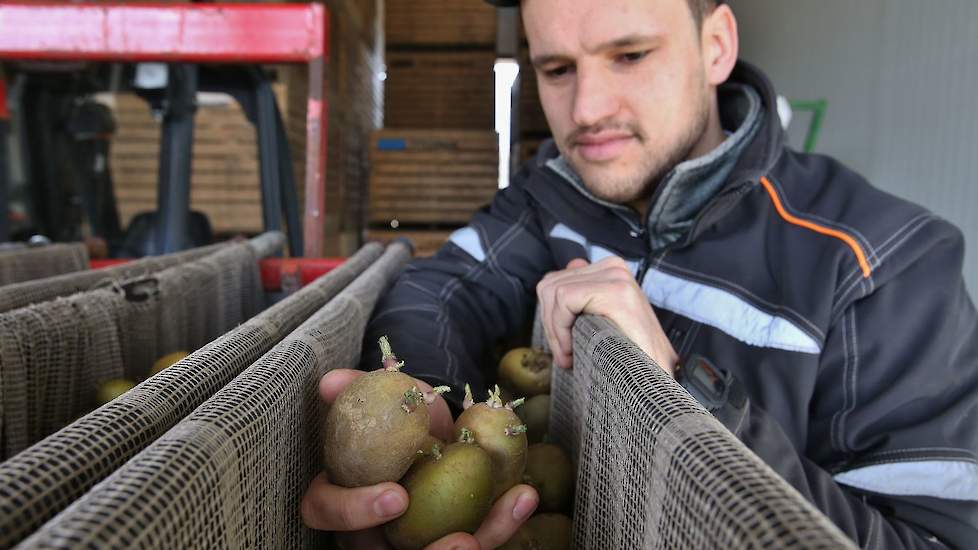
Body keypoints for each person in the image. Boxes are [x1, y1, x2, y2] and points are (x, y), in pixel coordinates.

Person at [302, 0, 978, 547]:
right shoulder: (550, 199)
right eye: (558, 69)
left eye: (630, 55)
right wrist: (428, 414)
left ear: (716, 45)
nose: (589, 108)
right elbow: (437, 289)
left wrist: (688, 391)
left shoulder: (883, 261)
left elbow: (929, 539)